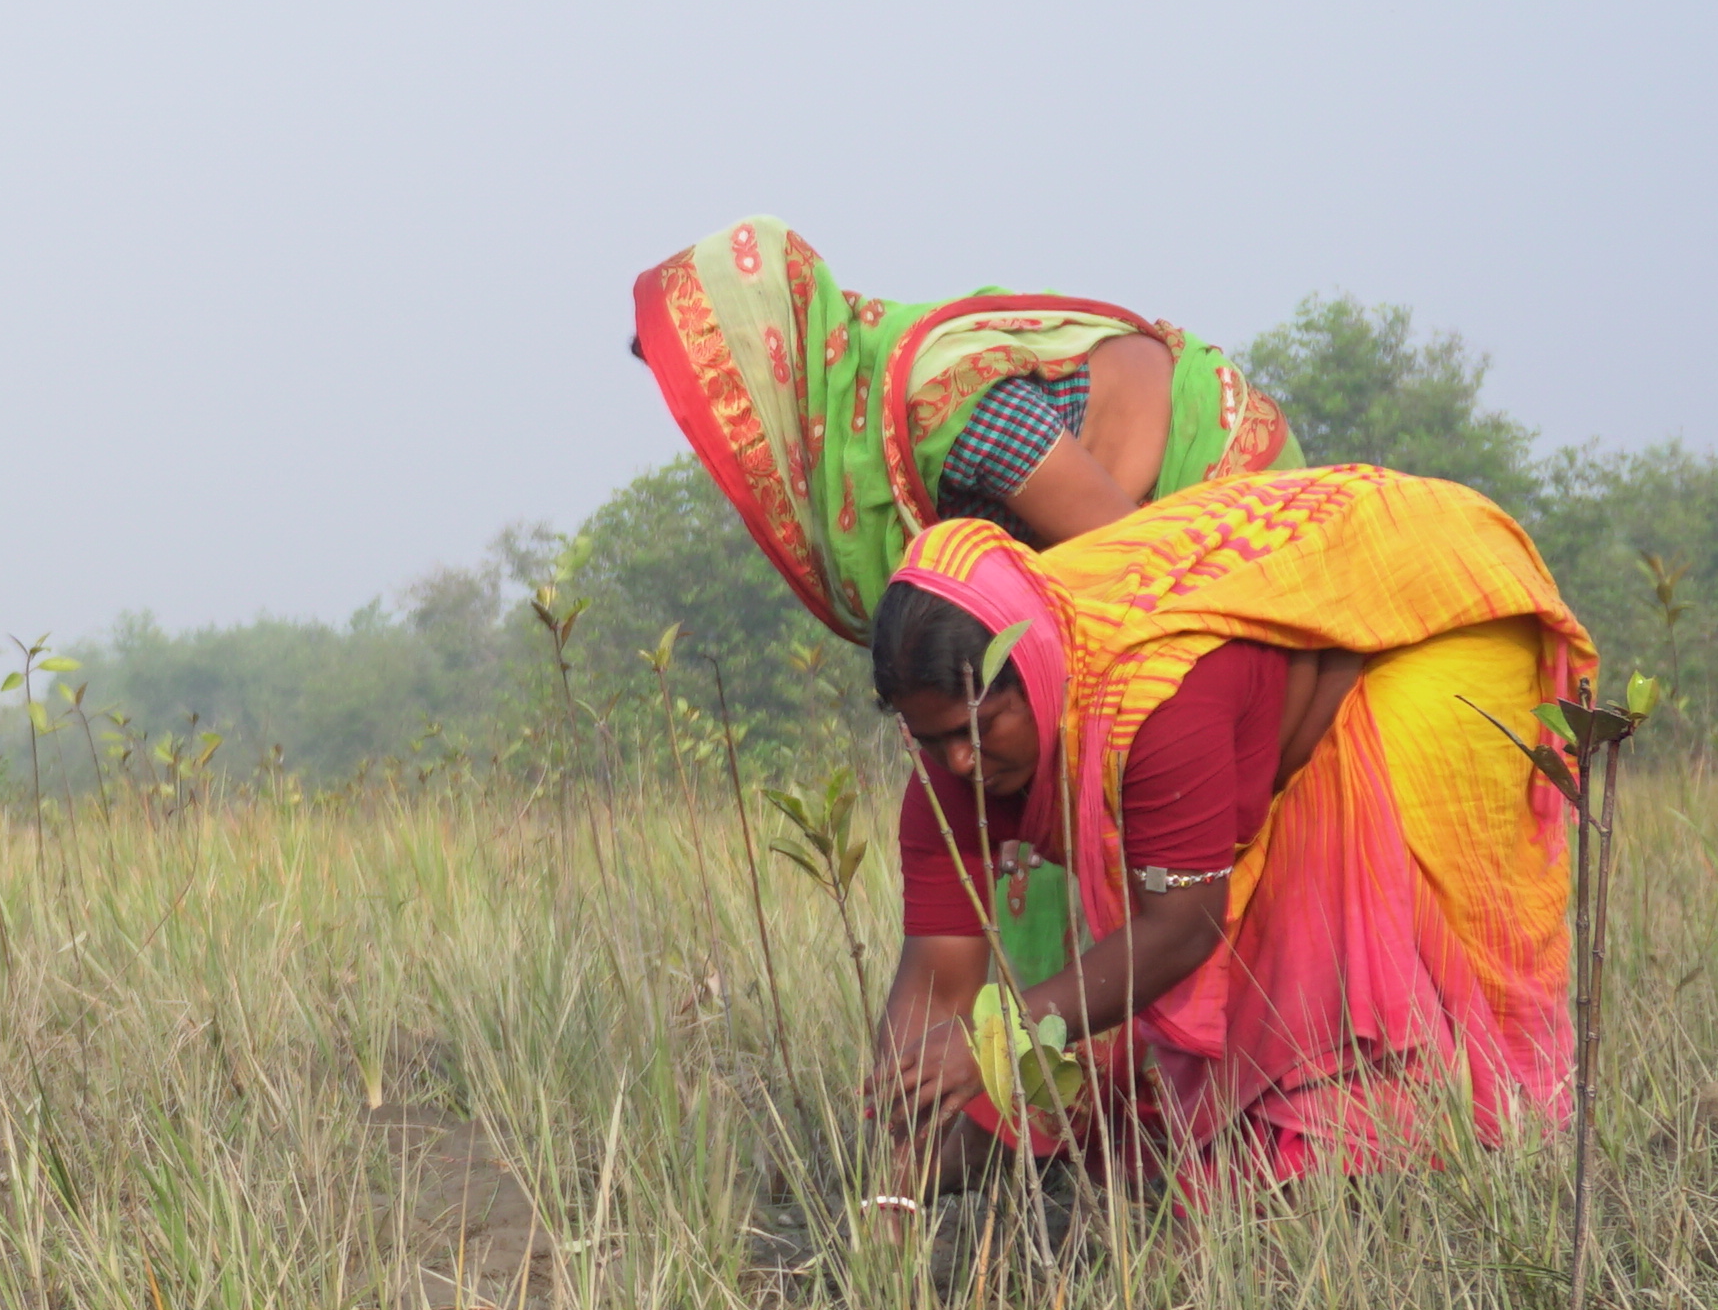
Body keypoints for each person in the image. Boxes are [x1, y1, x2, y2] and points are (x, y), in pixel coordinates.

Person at [861, 465, 1591, 1202]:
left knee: (1335, 893)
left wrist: (1000, 1043)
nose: (960, 760)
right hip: (1280, 665)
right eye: (933, 739)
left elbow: (1183, 927)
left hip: (1433, 598)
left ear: (1035, 675)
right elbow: (934, 979)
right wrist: (894, 1171)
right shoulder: (953, 771)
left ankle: (1428, 1159)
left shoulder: (1154, 708)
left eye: (979, 729)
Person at [633, 218, 1297, 638]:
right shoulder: (858, 436)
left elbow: (1130, 565)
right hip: (1140, 551)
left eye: (729, 391)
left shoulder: (936, 408)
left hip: (1217, 503)